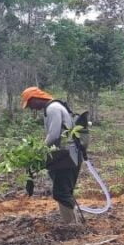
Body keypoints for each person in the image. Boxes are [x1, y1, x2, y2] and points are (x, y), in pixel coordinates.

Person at [21, 87, 83, 224]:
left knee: (61, 193)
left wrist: (38, 152)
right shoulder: (52, 108)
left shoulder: (52, 108)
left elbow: (54, 135)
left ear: (36, 99)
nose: (31, 108)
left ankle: (73, 226)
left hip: (67, 157)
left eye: (30, 104)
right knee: (64, 191)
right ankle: (74, 223)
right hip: (68, 155)